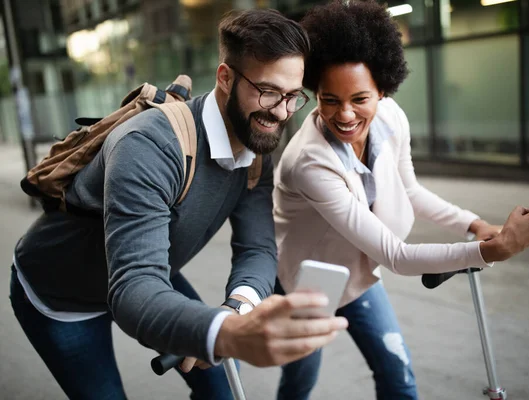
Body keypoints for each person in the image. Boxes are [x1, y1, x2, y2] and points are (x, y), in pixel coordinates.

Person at [9, 9, 348, 400]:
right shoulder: (150, 146)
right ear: (225, 78)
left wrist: (234, 312)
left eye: (293, 96)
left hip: (153, 268)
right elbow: (133, 288)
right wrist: (224, 333)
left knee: (221, 387)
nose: (282, 112)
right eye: (269, 91)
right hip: (62, 291)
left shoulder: (257, 148)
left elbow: (257, 247)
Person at [272, 1, 529, 399]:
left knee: (398, 372)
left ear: (383, 91)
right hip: (308, 281)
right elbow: (398, 256)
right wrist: (495, 249)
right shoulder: (308, 163)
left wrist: (474, 225)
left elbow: (410, 190)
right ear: (313, 92)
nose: (345, 115)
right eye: (329, 99)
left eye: (360, 98)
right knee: (301, 377)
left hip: (359, 273)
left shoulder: (391, 118)